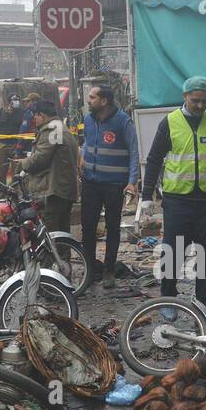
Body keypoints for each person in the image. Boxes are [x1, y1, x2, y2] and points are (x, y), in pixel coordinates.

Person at [139, 76, 206, 310]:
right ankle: (168, 298)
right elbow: (154, 159)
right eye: (194, 100)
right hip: (178, 200)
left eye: (203, 101)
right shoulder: (169, 122)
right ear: (184, 97)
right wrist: (146, 195)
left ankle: (205, 303)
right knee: (173, 252)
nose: (199, 106)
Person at [79, 85, 139, 288]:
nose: (89, 100)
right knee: (88, 227)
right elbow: (87, 141)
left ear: (104, 101)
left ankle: (109, 270)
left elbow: (134, 152)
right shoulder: (88, 119)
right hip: (90, 182)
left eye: (92, 97)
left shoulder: (123, 122)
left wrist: (132, 181)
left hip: (114, 184)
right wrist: (82, 157)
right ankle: (90, 270)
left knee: (113, 227)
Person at [20, 100, 79, 233]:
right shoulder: (60, 127)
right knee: (62, 232)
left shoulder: (52, 129)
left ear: (42, 115)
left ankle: (55, 255)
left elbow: (40, 159)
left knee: (50, 234)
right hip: (64, 189)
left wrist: (22, 163)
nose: (34, 119)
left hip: (53, 190)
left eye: (35, 115)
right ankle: (63, 254)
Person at [0, 93, 26, 184]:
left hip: (16, 145)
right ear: (9, 102)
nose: (16, 102)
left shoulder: (22, 112)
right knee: (1, 171)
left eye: (18, 99)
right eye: (14, 100)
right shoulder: (1, 112)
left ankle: (14, 193)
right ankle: (1, 193)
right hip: (3, 145)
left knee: (16, 172)